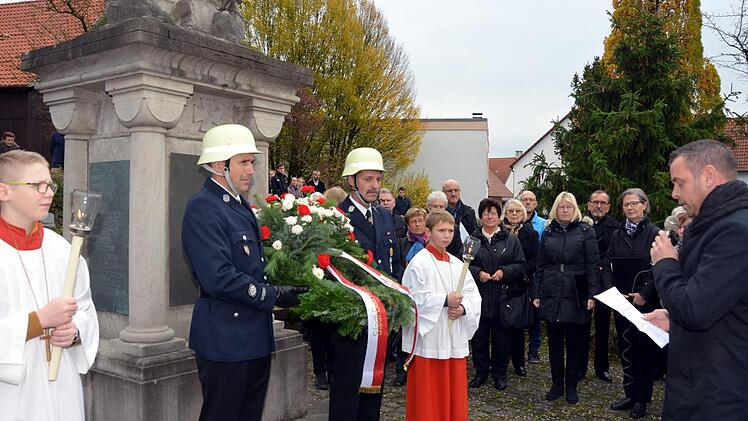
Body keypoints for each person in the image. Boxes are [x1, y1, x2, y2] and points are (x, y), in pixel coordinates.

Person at [181, 124, 306, 421]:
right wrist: (274, 294)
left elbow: (254, 267)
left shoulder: (238, 205)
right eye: (244, 162)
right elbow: (218, 277)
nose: (251, 170)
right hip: (226, 339)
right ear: (218, 165)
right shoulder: (203, 208)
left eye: (251, 161)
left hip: (253, 337)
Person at [646, 139, 748, 420]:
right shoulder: (716, 227)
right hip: (701, 383)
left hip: (719, 396)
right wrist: (673, 318)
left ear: (709, 176)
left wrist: (665, 264)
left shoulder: (735, 232)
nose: (674, 193)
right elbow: (715, 304)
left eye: (680, 182)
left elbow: (694, 310)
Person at [0, 150, 99, 421]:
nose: (49, 193)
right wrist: (38, 321)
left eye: (51, 185)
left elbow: (85, 308)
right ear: (4, 192)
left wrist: (75, 333)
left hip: (62, 386)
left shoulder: (62, 250)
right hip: (11, 396)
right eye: (37, 186)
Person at [333, 147, 402, 421]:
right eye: (367, 179)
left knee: (374, 390)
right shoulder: (338, 217)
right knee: (347, 393)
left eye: (378, 179)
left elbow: (392, 263)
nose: (374, 186)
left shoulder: (384, 216)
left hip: (381, 318)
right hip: (352, 321)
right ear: (352, 180)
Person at [401, 209, 481, 421]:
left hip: (452, 339)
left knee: (453, 390)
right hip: (430, 340)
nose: (447, 235)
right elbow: (410, 301)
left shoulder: (457, 263)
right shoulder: (419, 263)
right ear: (428, 232)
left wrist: (463, 309)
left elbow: (474, 297)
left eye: (450, 230)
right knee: (429, 393)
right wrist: (445, 301)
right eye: (441, 230)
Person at [532, 192, 600, 405]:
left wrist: (592, 294)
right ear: (556, 209)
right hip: (552, 290)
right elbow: (540, 264)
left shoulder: (585, 231)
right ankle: (556, 384)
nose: (565, 210)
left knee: (575, 343)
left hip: (576, 291)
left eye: (569, 207)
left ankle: (571, 385)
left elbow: (593, 265)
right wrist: (536, 292)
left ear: (575, 209)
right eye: (562, 207)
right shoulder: (549, 231)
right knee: (553, 343)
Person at [604, 188, 662, 419]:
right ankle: (629, 393)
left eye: (634, 204)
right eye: (626, 204)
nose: (630, 208)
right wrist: (611, 291)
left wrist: (644, 293)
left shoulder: (654, 233)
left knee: (643, 351)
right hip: (622, 302)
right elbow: (606, 263)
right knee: (626, 349)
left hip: (645, 303)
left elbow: (659, 267)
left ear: (644, 206)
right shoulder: (618, 234)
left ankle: (642, 400)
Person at [468, 198, 526, 391]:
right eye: (486, 212)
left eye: (493, 212)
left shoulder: (510, 239)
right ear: (481, 216)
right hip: (480, 297)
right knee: (480, 338)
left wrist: (504, 272)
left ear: (499, 215)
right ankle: (481, 372)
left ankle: (500, 374)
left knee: (502, 339)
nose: (490, 216)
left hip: (503, 297)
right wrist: (478, 273)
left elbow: (521, 265)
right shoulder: (473, 239)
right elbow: (463, 266)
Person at [581, 190, 618, 383]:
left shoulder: (615, 227)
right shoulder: (580, 225)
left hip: (604, 281)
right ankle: (580, 367)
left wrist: (602, 264)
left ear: (609, 207)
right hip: (584, 281)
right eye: (595, 202)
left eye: (603, 203)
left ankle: (601, 368)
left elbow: (614, 252)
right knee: (582, 326)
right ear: (588, 205)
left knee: (602, 326)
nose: (599, 206)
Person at [502, 198, 539, 379]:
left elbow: (535, 259)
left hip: (521, 284)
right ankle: (500, 362)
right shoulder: (499, 232)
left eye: (518, 211)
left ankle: (519, 362)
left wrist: (517, 271)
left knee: (518, 327)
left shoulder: (531, 234)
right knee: (501, 327)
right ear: (505, 214)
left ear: (524, 214)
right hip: (501, 284)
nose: (514, 214)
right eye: (511, 211)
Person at [442, 179, 478, 259]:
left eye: (456, 190)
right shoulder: (440, 212)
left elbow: (474, 235)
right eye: (450, 191)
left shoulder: (469, 212)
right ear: (443, 193)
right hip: (443, 253)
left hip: (464, 256)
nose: (453, 194)